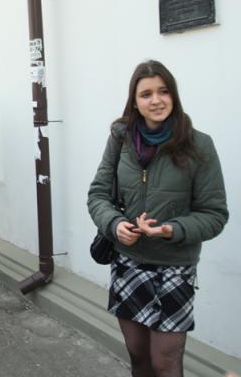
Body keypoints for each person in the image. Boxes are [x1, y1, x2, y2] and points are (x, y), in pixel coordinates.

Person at [88, 60, 228, 377]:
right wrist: (115, 225)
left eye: (163, 91)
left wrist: (171, 230)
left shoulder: (199, 145)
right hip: (128, 262)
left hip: (175, 267)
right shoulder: (120, 140)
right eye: (146, 94)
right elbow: (97, 194)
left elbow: (215, 214)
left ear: (173, 95)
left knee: (166, 363)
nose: (156, 100)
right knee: (138, 357)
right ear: (135, 102)